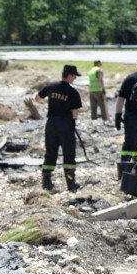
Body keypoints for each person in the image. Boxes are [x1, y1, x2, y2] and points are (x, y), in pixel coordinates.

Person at [33, 64, 83, 192]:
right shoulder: (72, 92)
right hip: (65, 125)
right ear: (70, 75)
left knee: (50, 153)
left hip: (51, 124)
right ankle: (71, 184)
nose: (75, 79)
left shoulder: (51, 87)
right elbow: (74, 113)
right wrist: (72, 124)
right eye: (75, 76)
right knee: (69, 155)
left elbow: (37, 98)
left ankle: (46, 182)